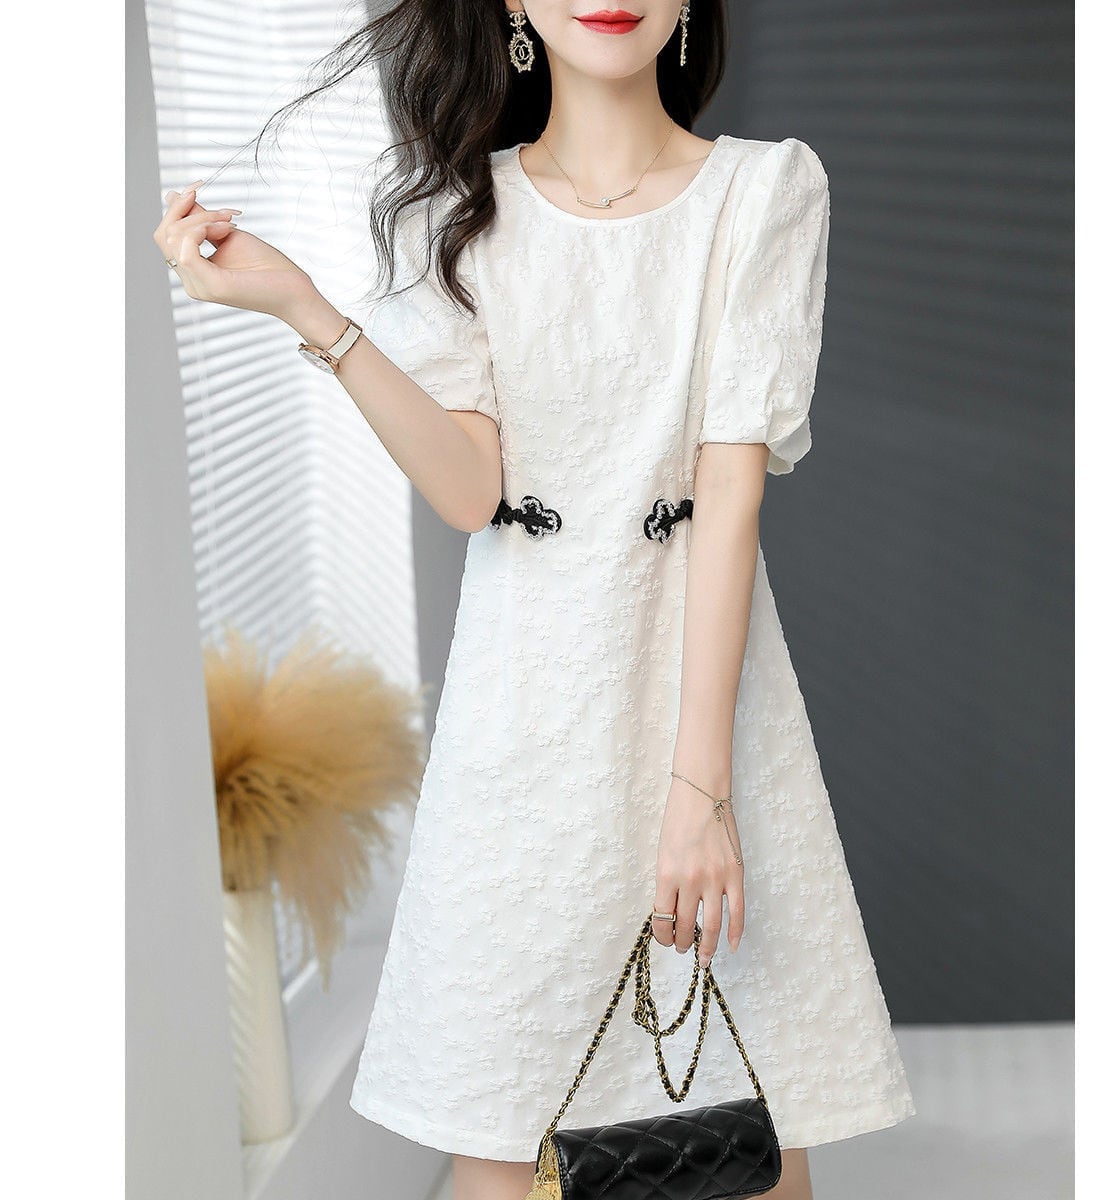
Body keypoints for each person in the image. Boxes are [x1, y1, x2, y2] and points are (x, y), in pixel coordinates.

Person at [153, 3, 916, 1197]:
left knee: (748, 1139)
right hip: (521, 731)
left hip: (706, 715)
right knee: (502, 1142)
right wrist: (310, 311)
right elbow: (473, 492)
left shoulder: (764, 191)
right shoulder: (456, 213)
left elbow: (727, 498)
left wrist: (700, 792)